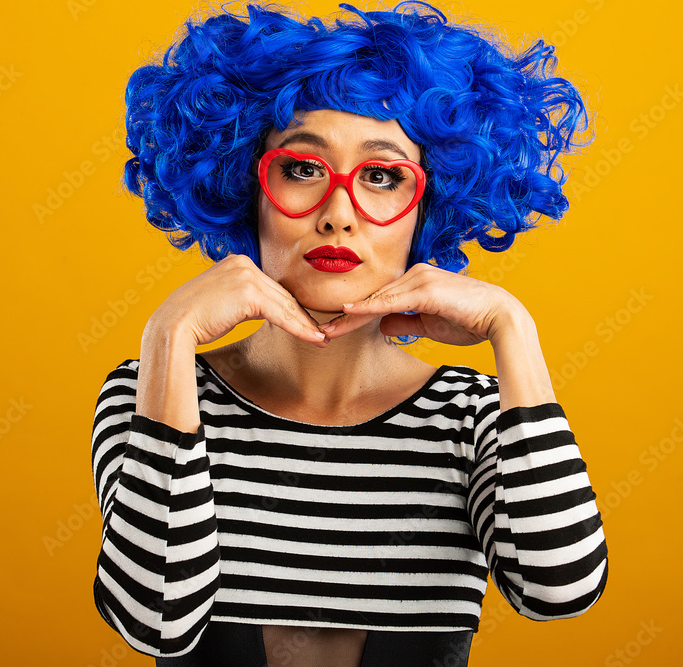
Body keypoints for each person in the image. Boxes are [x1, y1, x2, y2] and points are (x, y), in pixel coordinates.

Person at [90, 3, 608, 666]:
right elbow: (152, 617)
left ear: (427, 207)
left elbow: (558, 588)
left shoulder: (472, 419)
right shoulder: (149, 391)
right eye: (303, 169)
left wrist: (514, 328)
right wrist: (169, 333)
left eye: (383, 176)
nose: (339, 214)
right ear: (243, 186)